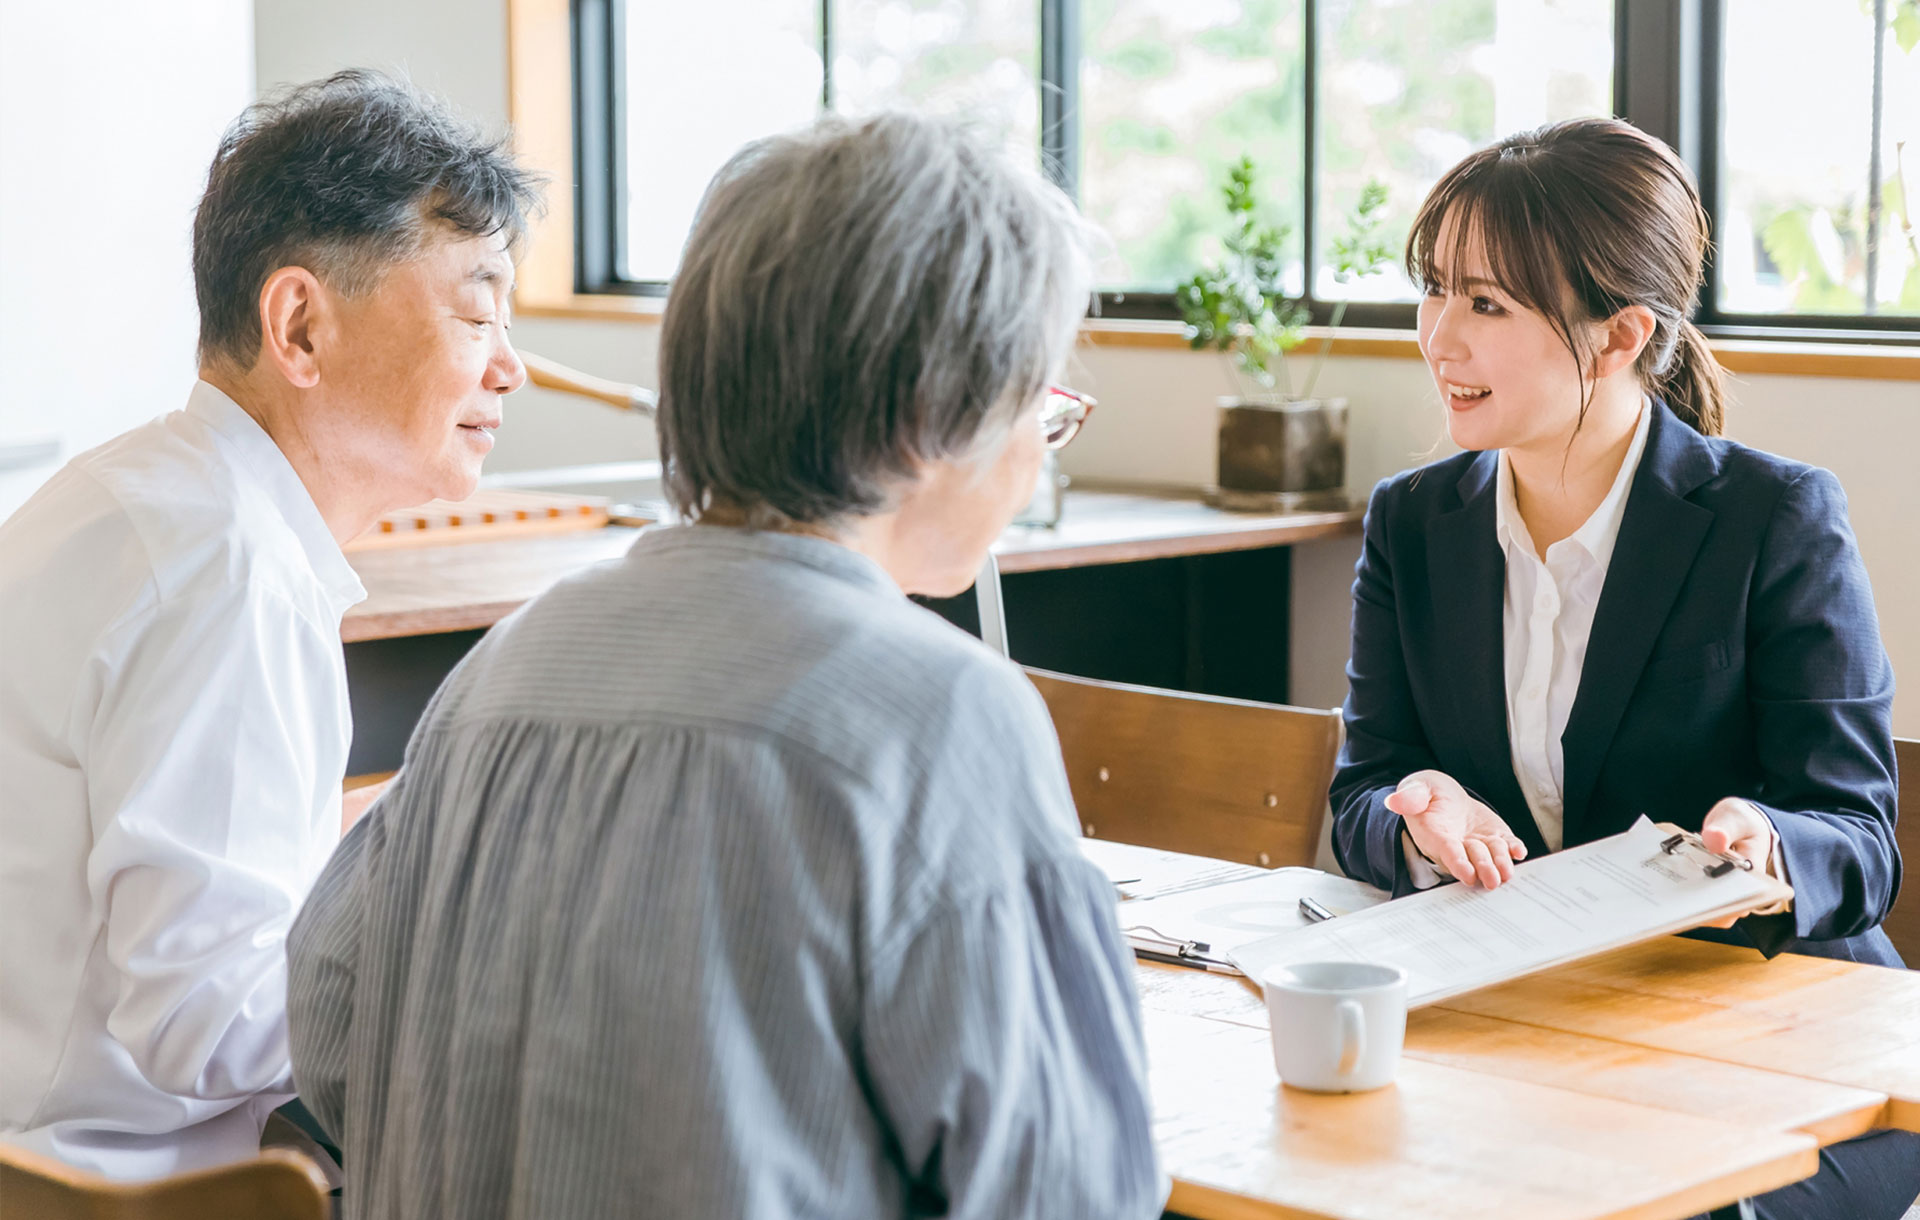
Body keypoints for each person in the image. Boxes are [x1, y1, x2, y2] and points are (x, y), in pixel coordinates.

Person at [284, 112, 1162, 1219]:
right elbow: (1072, 1188)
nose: (1041, 444)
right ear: (938, 411)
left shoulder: (501, 671)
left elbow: (327, 1031)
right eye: (1041, 400)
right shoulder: (940, 715)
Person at [1329, 117, 1918, 1220]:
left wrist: (1768, 840)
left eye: (1486, 304)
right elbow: (1362, 789)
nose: (1436, 336)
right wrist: (1416, 812)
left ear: (1619, 335)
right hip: (1541, 1030)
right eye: (1434, 289)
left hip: (1787, 1045)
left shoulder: (1774, 517)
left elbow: (1861, 838)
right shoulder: (1414, 523)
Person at [0, 70, 538, 1179]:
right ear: (299, 324)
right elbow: (207, 1015)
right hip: (116, 1189)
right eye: (477, 310)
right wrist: (480, 957)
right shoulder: (229, 572)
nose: (509, 366)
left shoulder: (137, 494)